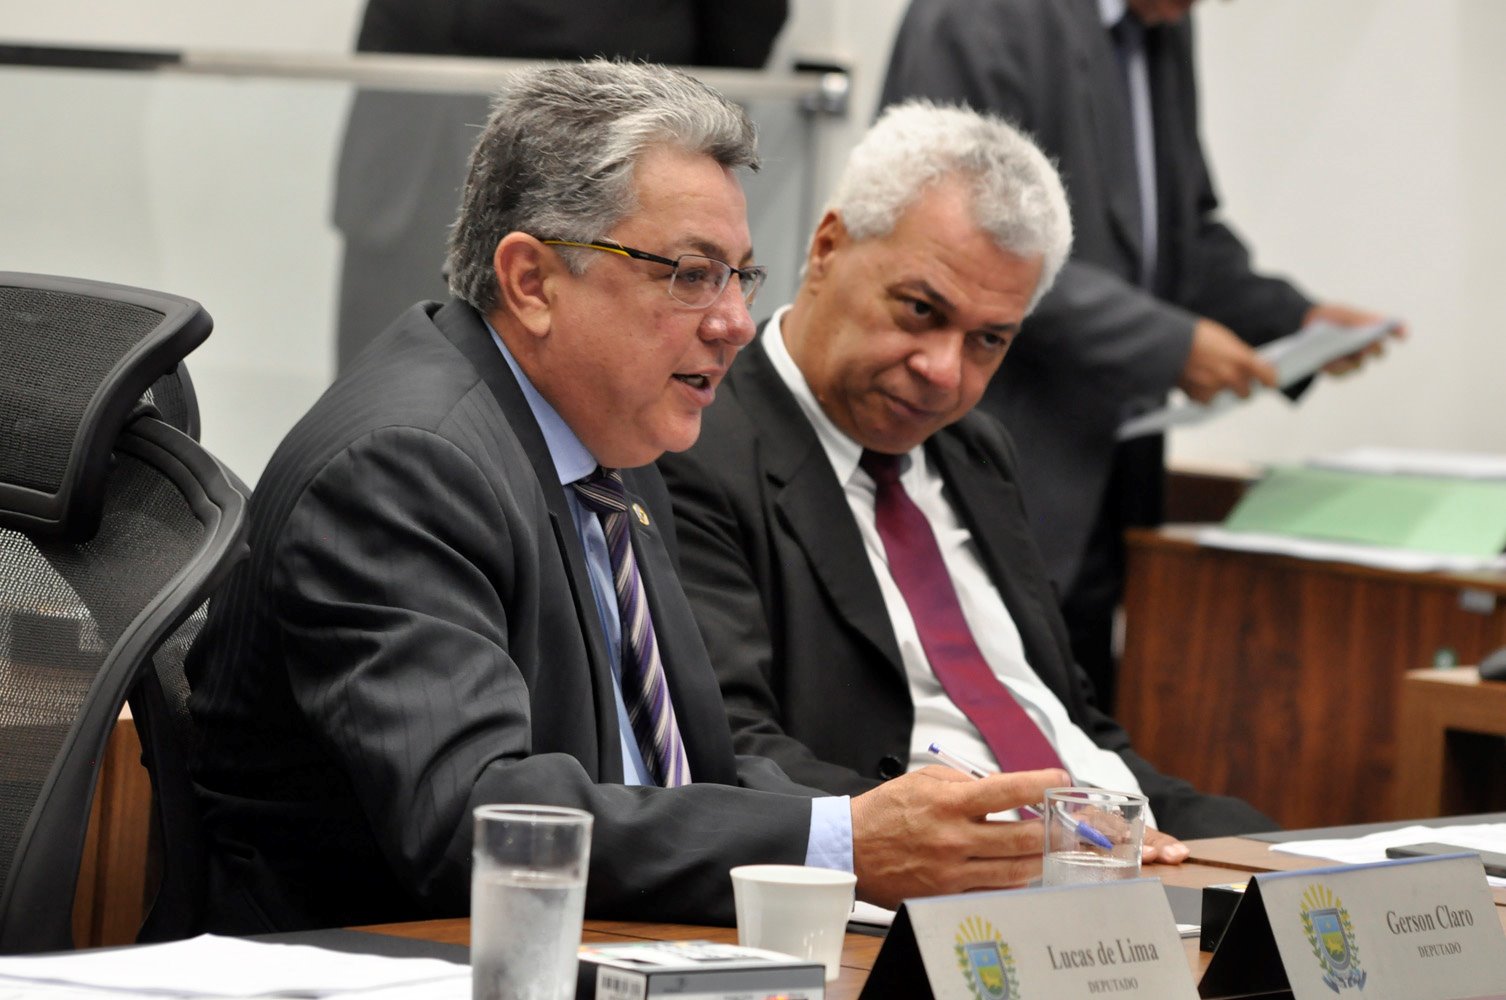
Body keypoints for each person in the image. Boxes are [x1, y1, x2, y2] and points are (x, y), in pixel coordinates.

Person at [187, 60, 1075, 936]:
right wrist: (840, 842)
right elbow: (478, 821)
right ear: (532, 281)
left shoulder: (612, 442)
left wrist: (879, 824)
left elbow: (684, 773)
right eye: (690, 274)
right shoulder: (407, 465)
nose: (734, 323)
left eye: (739, 276)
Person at [657, 99, 1276, 842]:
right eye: (921, 310)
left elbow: (1067, 720)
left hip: (1101, 849)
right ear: (827, 247)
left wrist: (1230, 843)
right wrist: (1019, 847)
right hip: (920, 867)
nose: (945, 373)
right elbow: (734, 750)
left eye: (988, 340)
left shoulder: (975, 449)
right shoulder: (697, 444)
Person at [878, 0, 1398, 710]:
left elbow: (1181, 233)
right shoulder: (979, 16)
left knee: (1080, 729)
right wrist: (1173, 346)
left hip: (1114, 478)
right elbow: (967, 245)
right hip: (992, 465)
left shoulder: (1161, 26)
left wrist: (1294, 321)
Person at [333, 0, 790, 369]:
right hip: (401, 149)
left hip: (603, 158)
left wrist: (674, 125)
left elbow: (742, 27)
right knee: (380, 385)